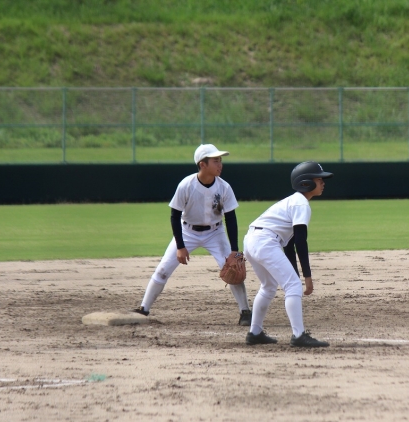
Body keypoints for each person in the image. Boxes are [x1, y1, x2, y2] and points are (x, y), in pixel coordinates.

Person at [132, 144, 252, 326]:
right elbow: (174, 216)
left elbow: (231, 218)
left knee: (232, 268)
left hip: (215, 232)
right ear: (202, 164)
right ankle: (144, 309)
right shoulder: (186, 185)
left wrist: (234, 250)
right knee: (163, 270)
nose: (220, 164)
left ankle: (245, 312)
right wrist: (180, 246)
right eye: (216, 161)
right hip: (187, 232)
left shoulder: (224, 187)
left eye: (220, 160)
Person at [243, 161, 333, 348]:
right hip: (265, 241)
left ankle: (255, 332)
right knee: (293, 286)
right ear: (306, 182)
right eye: (319, 179)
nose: (323, 182)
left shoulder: (293, 201)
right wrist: (307, 277)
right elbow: (300, 242)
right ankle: (299, 336)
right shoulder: (301, 204)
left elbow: (290, 244)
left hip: (252, 240)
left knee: (269, 286)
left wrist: (296, 273)